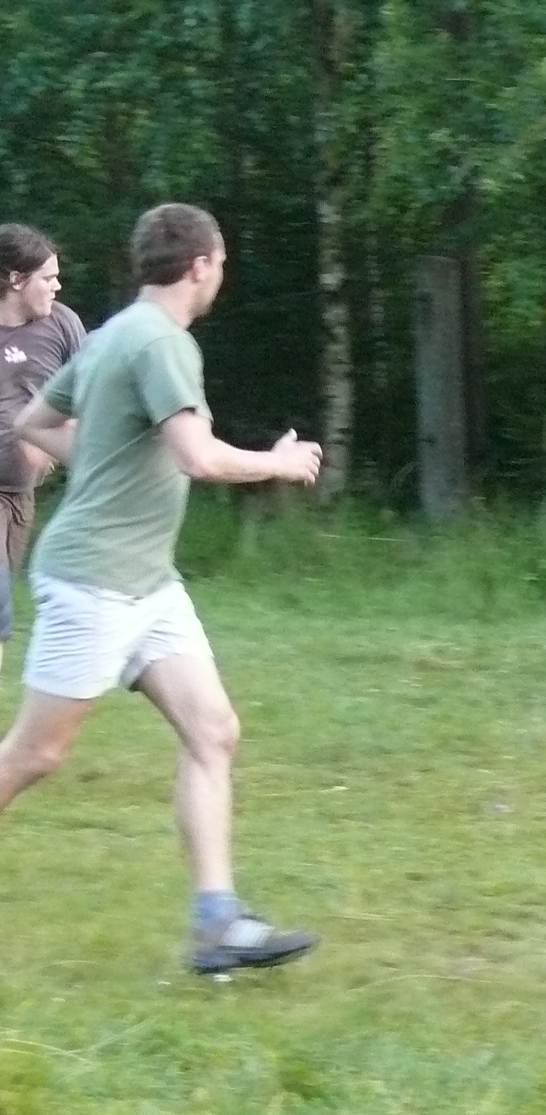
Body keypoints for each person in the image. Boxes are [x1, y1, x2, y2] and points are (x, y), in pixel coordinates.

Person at [2, 203, 324, 974]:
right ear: (201, 265)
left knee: (213, 731)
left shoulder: (115, 332)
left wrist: (102, 460)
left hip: (148, 581)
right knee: (36, 753)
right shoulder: (161, 343)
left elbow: (36, 420)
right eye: (222, 264)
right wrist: (280, 463)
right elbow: (197, 457)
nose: (221, 276)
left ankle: (217, 924)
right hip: (95, 579)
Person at [0, 224, 86, 672]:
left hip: (20, 495)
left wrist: (52, 445)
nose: (57, 286)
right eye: (48, 277)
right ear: (16, 279)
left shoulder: (63, 324)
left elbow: (88, 398)